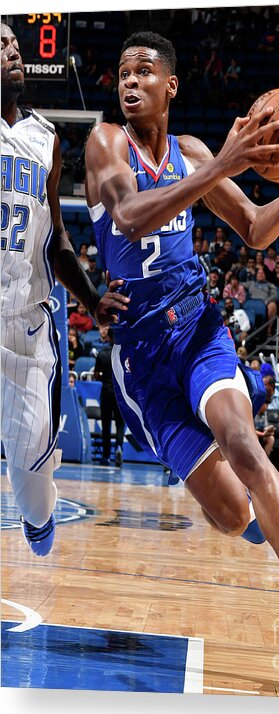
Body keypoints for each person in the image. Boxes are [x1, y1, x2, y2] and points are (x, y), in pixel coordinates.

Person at [84, 30, 279, 675]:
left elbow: (257, 229)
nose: (131, 81)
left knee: (241, 438)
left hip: (197, 326)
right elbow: (130, 216)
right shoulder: (105, 143)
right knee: (232, 515)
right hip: (141, 359)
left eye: (145, 71)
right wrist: (222, 166)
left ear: (170, 85)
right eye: (124, 71)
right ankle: (257, 520)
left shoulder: (194, 152)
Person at [1, 23, 128, 557]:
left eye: (13, 43)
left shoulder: (45, 139)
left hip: (25, 329)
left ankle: (38, 508)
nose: (13, 51)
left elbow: (55, 239)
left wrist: (92, 298)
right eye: (0, 44)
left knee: (32, 497)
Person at [94, 329, 125, 467]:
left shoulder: (102, 354)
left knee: (105, 424)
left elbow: (96, 375)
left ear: (108, 338)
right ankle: (119, 447)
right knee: (120, 423)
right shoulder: (123, 353)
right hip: (119, 393)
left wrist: (102, 376)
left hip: (106, 391)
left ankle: (105, 456)